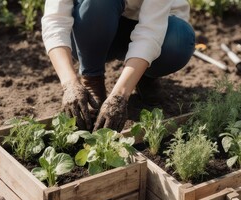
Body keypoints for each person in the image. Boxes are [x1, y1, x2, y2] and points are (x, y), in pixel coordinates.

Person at [42, 0, 195, 132]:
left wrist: (119, 96)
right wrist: (70, 84)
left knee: (177, 41)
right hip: (94, 26)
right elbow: (55, 19)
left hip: (160, 29)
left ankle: (142, 75)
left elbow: (151, 33)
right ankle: (92, 78)